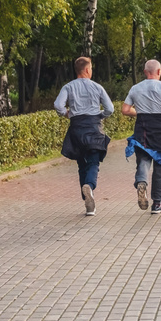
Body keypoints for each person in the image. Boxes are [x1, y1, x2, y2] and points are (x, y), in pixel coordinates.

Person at [122, 59, 161, 214]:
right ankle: (157, 203)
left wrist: (138, 113)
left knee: (143, 158)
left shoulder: (135, 88)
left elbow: (125, 110)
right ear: (159, 72)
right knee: (160, 164)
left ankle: (141, 182)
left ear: (145, 72)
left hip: (142, 128)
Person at [54, 57, 114, 216]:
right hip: (93, 127)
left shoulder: (68, 87)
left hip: (76, 128)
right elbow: (110, 108)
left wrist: (66, 114)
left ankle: (88, 205)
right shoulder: (97, 87)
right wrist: (100, 115)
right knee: (93, 162)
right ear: (87, 70)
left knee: (82, 164)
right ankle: (89, 186)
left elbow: (58, 105)